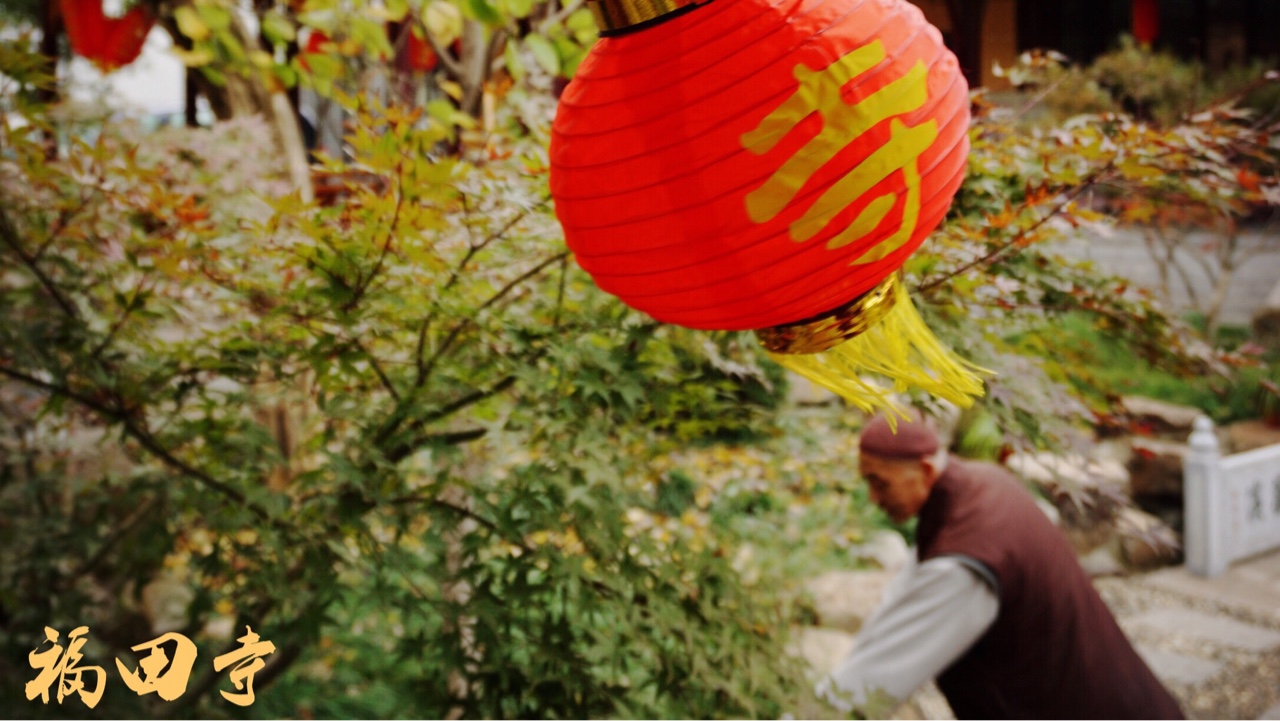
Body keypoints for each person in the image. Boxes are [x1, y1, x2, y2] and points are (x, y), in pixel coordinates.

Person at [816, 411, 1183, 719]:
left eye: (880, 483)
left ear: (925, 470)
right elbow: (896, 605)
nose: (873, 498)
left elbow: (878, 679)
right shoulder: (980, 484)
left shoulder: (965, 560)